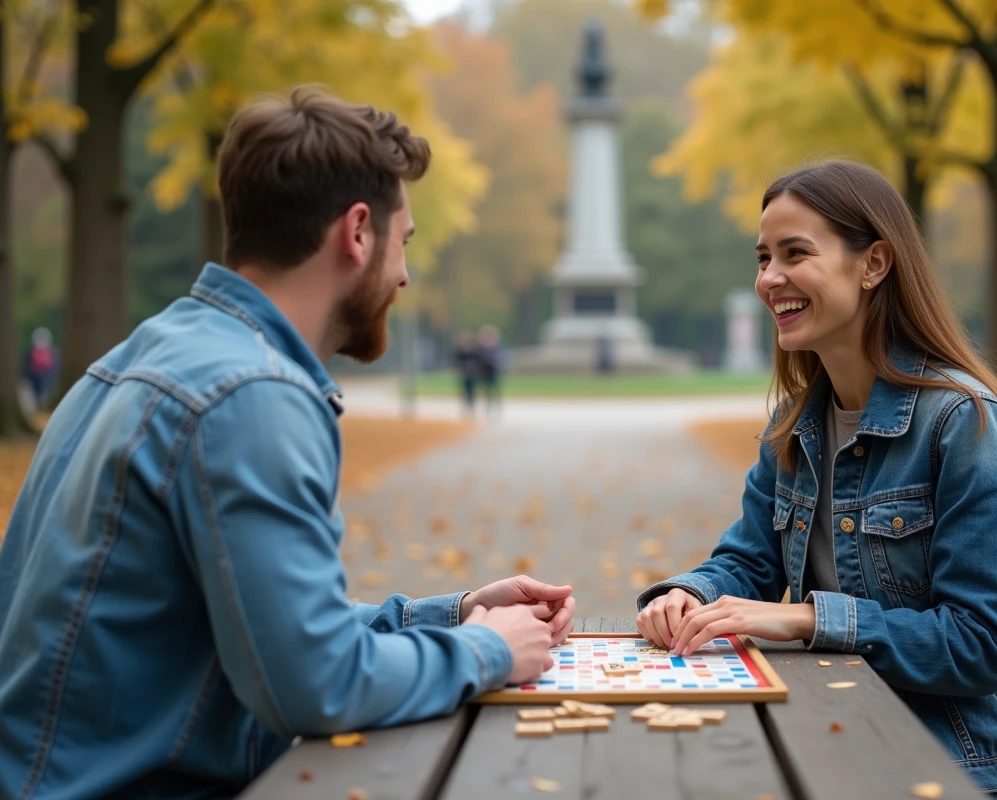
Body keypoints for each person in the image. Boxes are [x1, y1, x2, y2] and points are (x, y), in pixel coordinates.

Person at [0, 86, 575, 800]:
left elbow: (268, 633)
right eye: (404, 242)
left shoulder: (139, 359)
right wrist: (486, 650)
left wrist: (450, 615)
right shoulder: (252, 395)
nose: (404, 274)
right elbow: (316, 685)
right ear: (357, 232)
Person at [634, 161, 997, 799]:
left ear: (873, 264)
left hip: (959, 767)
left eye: (795, 253)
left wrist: (807, 619)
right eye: (763, 258)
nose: (769, 279)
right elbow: (751, 560)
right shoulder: (796, 421)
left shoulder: (963, 425)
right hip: (841, 732)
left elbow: (980, 645)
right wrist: (693, 594)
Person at [21, 327, 58, 410]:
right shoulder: (30, 352)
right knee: (37, 393)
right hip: (35, 376)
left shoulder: (53, 352)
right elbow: (26, 365)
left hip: (46, 377)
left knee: (44, 392)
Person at [476, 324, 505, 419]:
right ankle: (488, 407)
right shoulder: (480, 347)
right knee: (487, 390)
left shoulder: (497, 346)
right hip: (484, 371)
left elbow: (501, 358)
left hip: (494, 370)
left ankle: (497, 407)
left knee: (495, 389)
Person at [452, 329, 480, 417]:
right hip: (464, 373)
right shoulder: (461, 350)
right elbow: (457, 361)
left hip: (472, 373)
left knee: (471, 391)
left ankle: (471, 407)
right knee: (464, 391)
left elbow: (479, 361)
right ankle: (465, 407)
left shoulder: (475, 350)